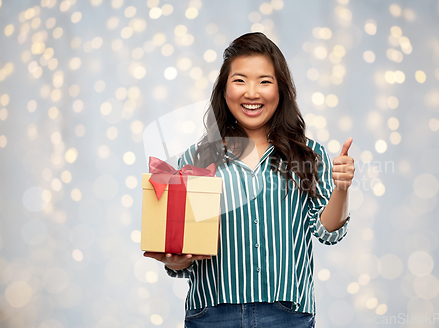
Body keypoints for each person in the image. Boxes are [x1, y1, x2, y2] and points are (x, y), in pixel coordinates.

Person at [144, 32, 355, 328]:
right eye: (240, 80)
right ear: (224, 90)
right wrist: (174, 259)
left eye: (264, 81)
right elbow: (182, 252)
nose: (251, 93)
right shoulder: (195, 159)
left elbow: (327, 233)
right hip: (212, 315)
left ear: (280, 90)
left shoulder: (308, 155)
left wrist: (342, 188)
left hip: (286, 315)